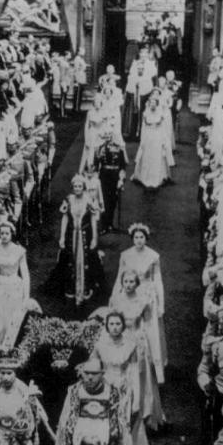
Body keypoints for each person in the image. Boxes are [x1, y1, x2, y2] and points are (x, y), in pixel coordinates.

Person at [91, 309, 158, 445]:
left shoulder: (130, 346)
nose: (114, 327)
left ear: (123, 326)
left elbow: (134, 371)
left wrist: (135, 398)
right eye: (111, 324)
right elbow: (93, 369)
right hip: (105, 388)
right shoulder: (100, 346)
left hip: (124, 389)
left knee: (125, 425)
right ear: (106, 326)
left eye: (118, 324)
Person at [110, 223, 167, 381]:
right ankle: (126, 363)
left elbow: (158, 280)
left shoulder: (153, 256)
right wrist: (114, 296)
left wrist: (161, 304)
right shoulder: (125, 255)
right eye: (136, 237)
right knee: (129, 327)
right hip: (129, 294)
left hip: (147, 296)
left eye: (142, 237)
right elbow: (119, 278)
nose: (139, 240)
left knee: (149, 330)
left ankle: (153, 367)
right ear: (132, 238)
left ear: (146, 239)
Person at [50, 174, 104, 308]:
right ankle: (71, 289)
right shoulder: (68, 200)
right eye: (75, 186)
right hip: (71, 235)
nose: (77, 189)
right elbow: (65, 219)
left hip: (85, 235)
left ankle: (85, 289)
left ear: (84, 187)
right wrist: (62, 236)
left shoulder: (89, 200)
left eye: (80, 186)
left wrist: (95, 238)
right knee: (70, 260)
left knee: (87, 260)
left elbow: (93, 219)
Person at [0, 220, 32, 352]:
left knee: (13, 315)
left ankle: (11, 347)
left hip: (15, 285)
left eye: (7, 233)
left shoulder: (19, 251)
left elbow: (25, 274)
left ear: (11, 234)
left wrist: (26, 295)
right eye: (2, 233)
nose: (4, 236)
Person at [132, 91, 174, 190]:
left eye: (154, 103)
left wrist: (164, 141)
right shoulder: (145, 114)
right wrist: (142, 140)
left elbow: (162, 128)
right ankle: (144, 176)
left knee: (157, 156)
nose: (153, 105)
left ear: (157, 104)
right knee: (147, 156)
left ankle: (158, 177)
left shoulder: (160, 114)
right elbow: (144, 128)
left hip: (157, 137)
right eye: (151, 103)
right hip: (148, 137)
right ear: (149, 104)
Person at [94, 133, 127, 234]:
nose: (107, 137)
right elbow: (96, 165)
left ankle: (111, 224)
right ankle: (104, 225)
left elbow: (122, 166)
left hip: (115, 176)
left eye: (109, 135)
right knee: (104, 200)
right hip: (104, 177)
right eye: (105, 135)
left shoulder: (118, 149)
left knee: (113, 201)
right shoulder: (99, 149)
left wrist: (121, 180)